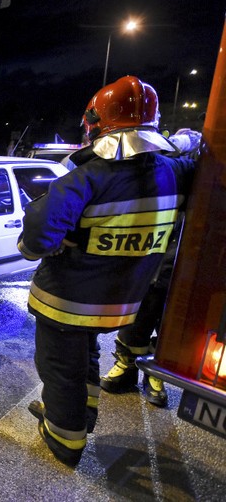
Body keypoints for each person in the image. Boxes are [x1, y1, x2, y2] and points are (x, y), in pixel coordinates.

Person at [17, 76, 196, 467]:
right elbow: (195, 151)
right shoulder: (176, 174)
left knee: (60, 368)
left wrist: (55, 241)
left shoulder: (84, 179)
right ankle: (84, 416)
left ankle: (65, 439)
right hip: (122, 300)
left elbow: (36, 238)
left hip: (65, 300)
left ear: (96, 123)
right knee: (86, 356)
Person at [99, 128, 202, 408]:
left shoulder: (197, 181)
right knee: (136, 320)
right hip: (148, 267)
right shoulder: (166, 177)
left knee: (167, 326)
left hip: (177, 272)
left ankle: (156, 375)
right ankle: (126, 367)